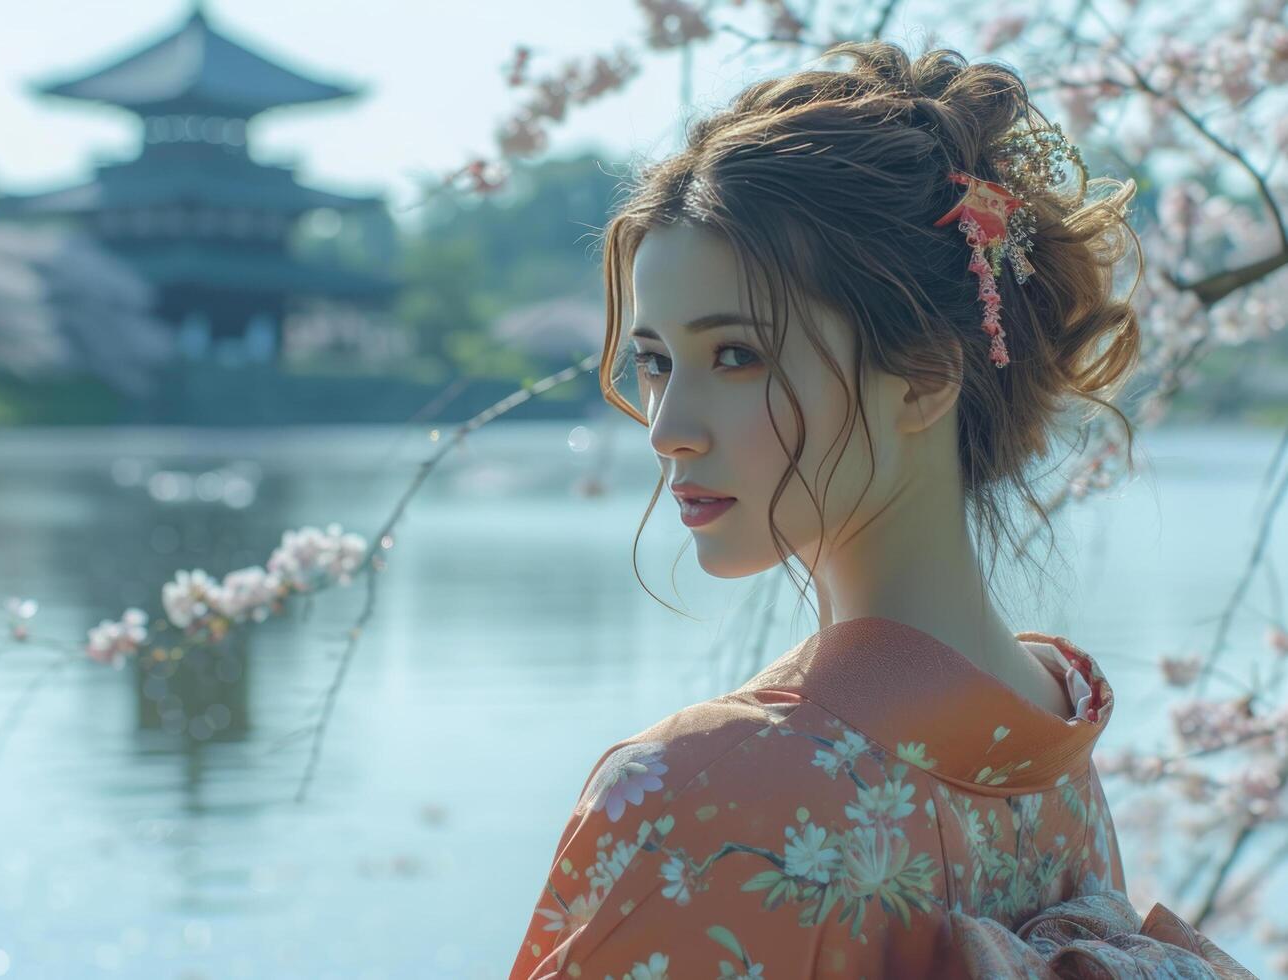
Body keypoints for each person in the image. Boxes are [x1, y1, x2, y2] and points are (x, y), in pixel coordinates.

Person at [507, 40, 1254, 979]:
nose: (668, 430)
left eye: (736, 355)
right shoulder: (1050, 755)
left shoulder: (704, 795)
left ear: (923, 378)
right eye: (655, 362)